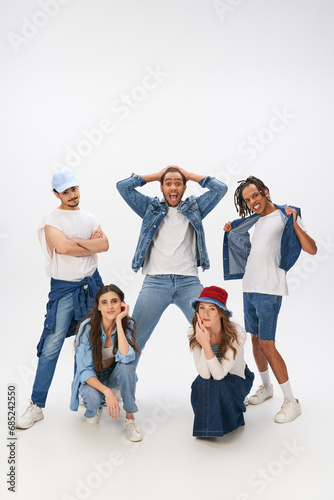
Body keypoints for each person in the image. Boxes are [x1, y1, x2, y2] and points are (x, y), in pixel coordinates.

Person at [16, 170, 109, 429]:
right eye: (66, 191)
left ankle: (84, 393)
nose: (72, 195)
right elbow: (63, 248)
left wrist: (76, 242)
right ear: (56, 194)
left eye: (74, 189)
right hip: (64, 290)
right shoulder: (52, 219)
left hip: (92, 287)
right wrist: (86, 244)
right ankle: (37, 405)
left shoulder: (90, 217)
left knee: (88, 344)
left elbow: (105, 245)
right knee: (51, 346)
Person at [223, 176, 317, 423]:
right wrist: (231, 231)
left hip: (269, 290)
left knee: (267, 344)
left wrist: (295, 221)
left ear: (265, 192)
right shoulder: (256, 220)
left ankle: (291, 401)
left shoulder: (286, 216)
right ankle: (267, 387)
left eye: (255, 195)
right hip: (249, 288)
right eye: (247, 199)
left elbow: (312, 248)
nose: (252, 202)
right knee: (255, 341)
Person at [116, 166, 227, 364]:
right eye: (168, 183)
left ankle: (222, 383)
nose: (173, 187)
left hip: (188, 283)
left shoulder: (195, 208)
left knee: (212, 334)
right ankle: (119, 385)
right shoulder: (150, 208)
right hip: (155, 283)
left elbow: (221, 189)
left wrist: (190, 175)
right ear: (161, 187)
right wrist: (155, 175)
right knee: (134, 339)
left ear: (184, 187)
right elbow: (123, 187)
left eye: (178, 183)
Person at [70, 284, 143, 442]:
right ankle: (96, 401)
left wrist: (118, 321)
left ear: (122, 304)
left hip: (113, 375)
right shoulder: (87, 328)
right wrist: (107, 392)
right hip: (93, 378)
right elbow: (84, 371)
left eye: (114, 301)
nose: (110, 306)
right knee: (93, 407)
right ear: (98, 307)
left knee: (126, 366)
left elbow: (126, 358)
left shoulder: (126, 324)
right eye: (104, 302)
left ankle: (130, 419)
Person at [189, 286, 254, 438]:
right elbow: (205, 374)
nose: (205, 313)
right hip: (210, 378)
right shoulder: (193, 332)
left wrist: (206, 344)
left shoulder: (237, 333)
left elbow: (219, 375)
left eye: (211, 308)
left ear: (221, 312)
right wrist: (204, 341)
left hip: (236, 377)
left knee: (219, 384)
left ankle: (228, 420)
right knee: (201, 384)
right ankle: (210, 428)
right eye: (202, 308)